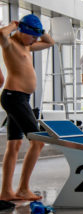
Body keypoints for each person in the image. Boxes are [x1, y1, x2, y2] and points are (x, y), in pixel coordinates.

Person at [0, 15, 54, 201]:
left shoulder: (27, 45)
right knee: (38, 141)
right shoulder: (10, 44)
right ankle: (23, 188)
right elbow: (1, 33)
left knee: (14, 144)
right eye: (32, 35)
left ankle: (6, 191)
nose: (35, 40)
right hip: (14, 97)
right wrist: (14, 25)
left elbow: (50, 43)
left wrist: (39, 31)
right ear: (22, 31)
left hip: (21, 98)